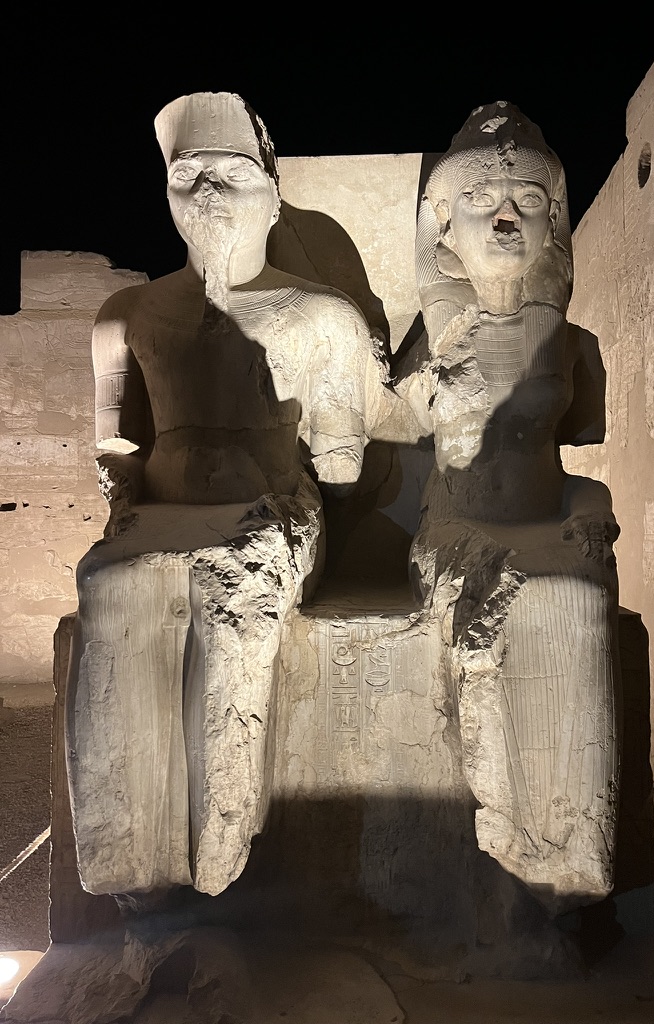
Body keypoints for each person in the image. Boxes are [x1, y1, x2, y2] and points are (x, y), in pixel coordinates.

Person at [66, 93, 385, 903]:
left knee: (233, 586)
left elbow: (340, 470)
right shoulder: (125, 318)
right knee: (109, 590)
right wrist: (126, 488)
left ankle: (219, 844)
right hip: (163, 518)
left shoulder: (322, 319)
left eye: (230, 172)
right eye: (187, 175)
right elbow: (120, 445)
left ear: (272, 191)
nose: (207, 190)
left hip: (268, 514)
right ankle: (124, 861)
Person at [402, 102, 620, 913]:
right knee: (501, 605)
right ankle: (513, 833)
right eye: (482, 203)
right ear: (442, 225)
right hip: (456, 528)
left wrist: (589, 511)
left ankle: (574, 852)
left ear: (553, 221)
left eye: (528, 202)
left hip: (543, 525)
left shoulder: (571, 345)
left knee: (578, 598)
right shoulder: (431, 341)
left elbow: (584, 469)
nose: (503, 216)